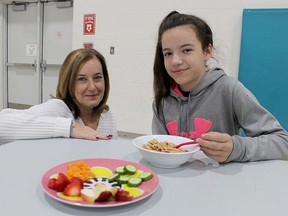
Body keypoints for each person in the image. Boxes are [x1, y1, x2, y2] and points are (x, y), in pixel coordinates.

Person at [152, 11, 288, 163]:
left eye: (186, 50)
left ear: (207, 51)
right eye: (168, 53)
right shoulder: (162, 100)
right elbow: (158, 151)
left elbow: (282, 141)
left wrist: (236, 148)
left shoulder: (229, 89)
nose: (175, 61)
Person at [0, 48, 118, 145]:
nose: (92, 87)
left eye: (97, 77)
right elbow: (3, 123)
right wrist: (69, 128)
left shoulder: (106, 115)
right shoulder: (58, 109)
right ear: (69, 83)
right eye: (82, 79)